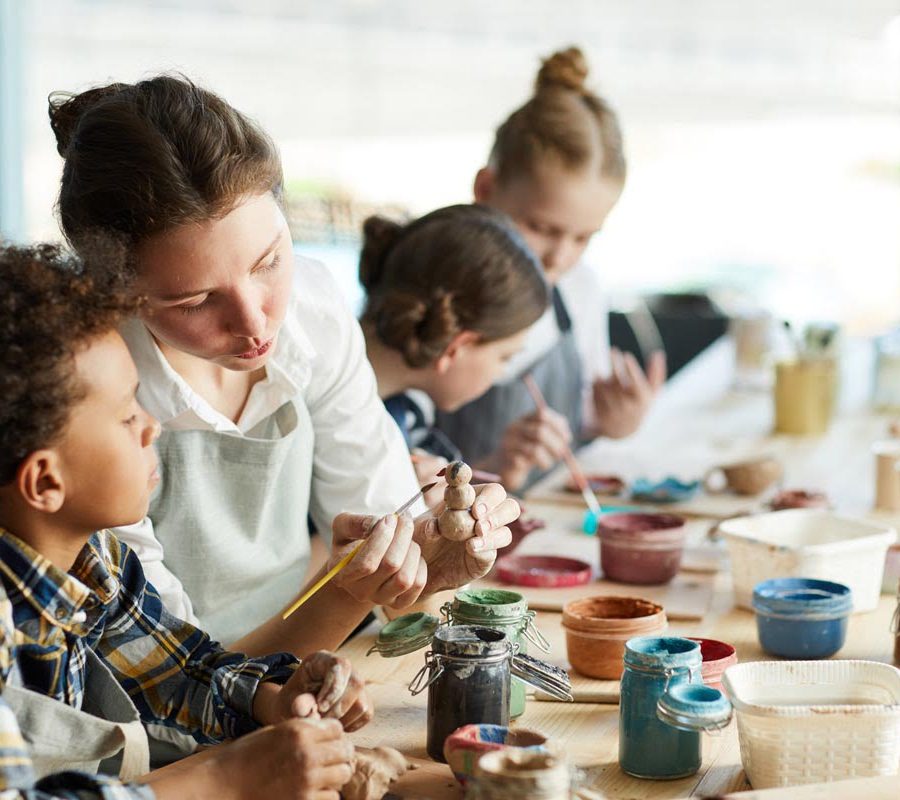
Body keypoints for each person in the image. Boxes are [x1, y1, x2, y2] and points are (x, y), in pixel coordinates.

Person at [47, 76, 518, 667]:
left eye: (270, 261)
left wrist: (432, 561)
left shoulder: (313, 311)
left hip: (305, 664)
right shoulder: (84, 388)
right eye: (194, 301)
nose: (255, 322)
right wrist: (350, 591)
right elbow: (169, 681)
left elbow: (395, 550)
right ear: (115, 292)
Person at [0, 243, 360, 799]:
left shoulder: (97, 558)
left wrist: (273, 697)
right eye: (127, 416)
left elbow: (173, 673)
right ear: (46, 482)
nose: (152, 427)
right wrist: (225, 777)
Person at [435, 47, 667, 492]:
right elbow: (386, 475)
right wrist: (495, 465)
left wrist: (608, 422)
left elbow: (577, 423)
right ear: (486, 188)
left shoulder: (579, 290)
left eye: (583, 237)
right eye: (540, 227)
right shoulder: (429, 294)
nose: (559, 257)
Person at [359, 204, 549, 499]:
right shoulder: (327, 413)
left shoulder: (404, 410)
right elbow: (290, 545)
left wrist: (495, 467)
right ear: (457, 346)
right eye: (504, 358)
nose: (501, 372)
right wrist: (401, 508)